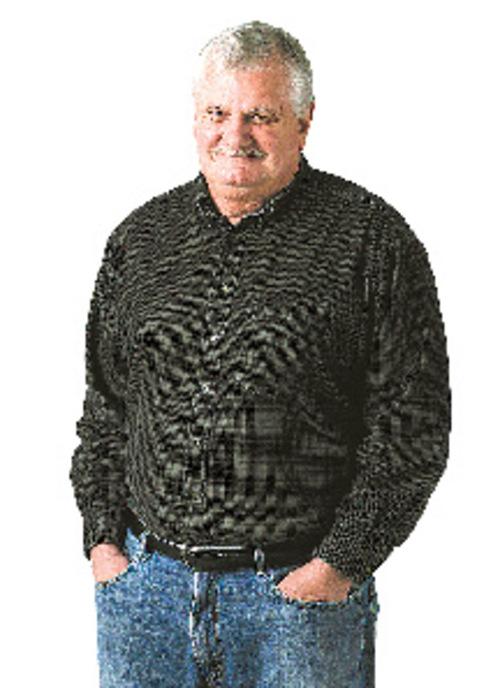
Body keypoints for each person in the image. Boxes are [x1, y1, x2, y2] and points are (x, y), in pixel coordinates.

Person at [69, 20, 452, 688]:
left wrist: (336, 567)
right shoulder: (140, 240)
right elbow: (106, 410)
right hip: (146, 597)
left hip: (293, 606)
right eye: (218, 112)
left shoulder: (371, 242)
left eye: (261, 116)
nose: (235, 134)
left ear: (305, 121)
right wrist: (105, 543)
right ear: (194, 117)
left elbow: (412, 429)